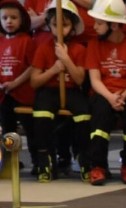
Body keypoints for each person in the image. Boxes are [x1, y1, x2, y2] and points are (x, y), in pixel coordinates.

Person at [29, 0, 90, 182]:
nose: (59, 30)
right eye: (55, 25)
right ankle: (45, 160)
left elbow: (79, 79)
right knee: (41, 115)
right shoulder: (43, 48)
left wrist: (66, 59)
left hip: (72, 90)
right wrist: (54, 70)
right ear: (49, 26)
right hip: (49, 90)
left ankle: (83, 158)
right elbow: (34, 81)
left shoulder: (79, 49)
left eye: (65, 25)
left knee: (84, 116)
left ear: (72, 27)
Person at [85, 0, 126, 186]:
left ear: (115, 24)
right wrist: (111, 98)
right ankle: (98, 166)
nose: (95, 27)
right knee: (100, 118)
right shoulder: (94, 45)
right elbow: (95, 80)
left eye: (100, 23)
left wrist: (122, 96)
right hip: (104, 93)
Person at [0, 0, 35, 167]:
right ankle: (9, 161)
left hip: (23, 93)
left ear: (21, 20)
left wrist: (15, 83)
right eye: (4, 18)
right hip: (4, 94)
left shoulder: (27, 40)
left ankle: (37, 161)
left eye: (13, 17)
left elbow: (31, 67)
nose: (9, 21)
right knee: (8, 129)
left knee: (30, 128)